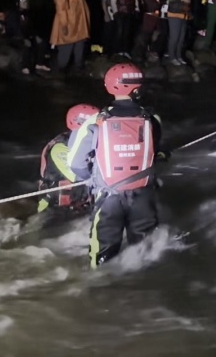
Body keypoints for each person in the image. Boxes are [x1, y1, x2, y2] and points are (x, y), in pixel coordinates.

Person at [68, 63, 168, 268]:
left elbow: (75, 163)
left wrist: (90, 179)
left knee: (103, 252)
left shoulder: (94, 121)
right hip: (143, 195)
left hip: (108, 197)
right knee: (145, 251)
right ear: (138, 88)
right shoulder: (152, 119)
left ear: (109, 87)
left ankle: (105, 291)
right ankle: (145, 287)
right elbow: (155, 151)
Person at [37, 103, 98, 214]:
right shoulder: (60, 148)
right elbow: (77, 175)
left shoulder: (88, 144)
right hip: (55, 210)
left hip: (78, 206)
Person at [51, 0, 92, 74]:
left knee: (79, 50)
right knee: (65, 53)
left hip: (80, 27)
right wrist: (64, 26)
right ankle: (58, 72)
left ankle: (78, 70)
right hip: (68, 27)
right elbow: (61, 10)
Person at [165, 0, 193, 65]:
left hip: (183, 14)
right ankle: (172, 57)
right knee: (174, 37)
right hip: (174, 14)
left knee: (181, 38)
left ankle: (179, 56)